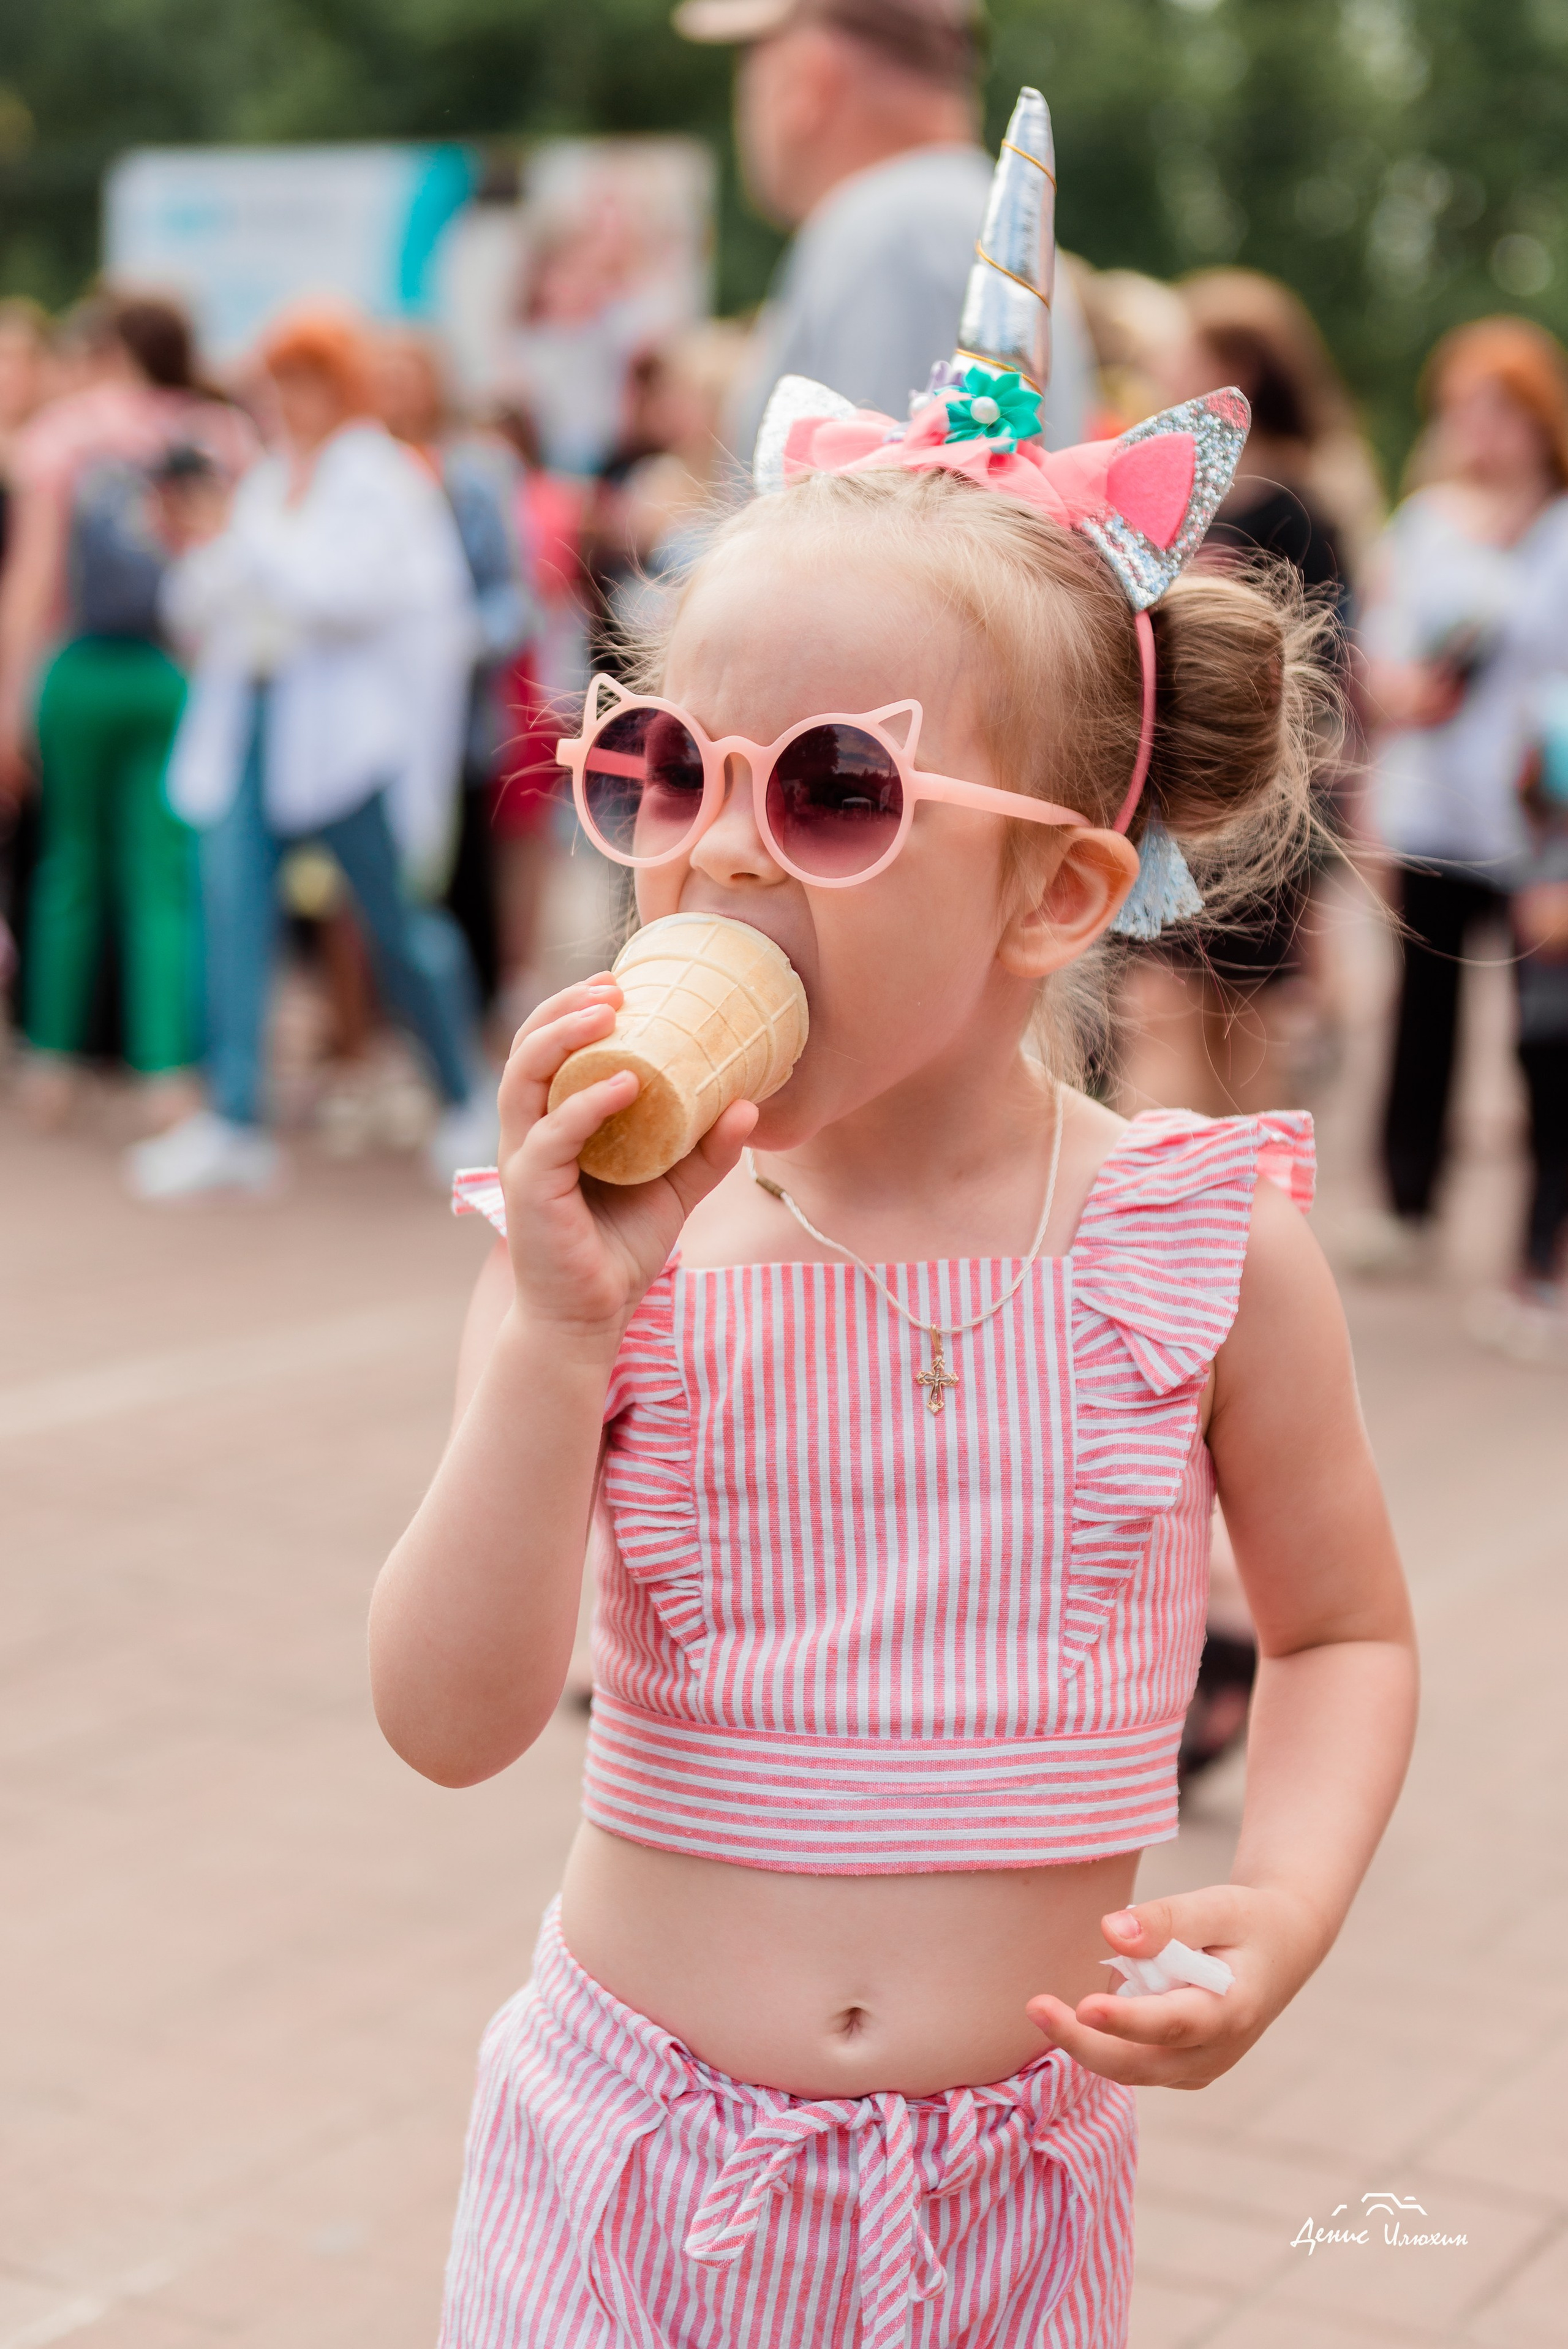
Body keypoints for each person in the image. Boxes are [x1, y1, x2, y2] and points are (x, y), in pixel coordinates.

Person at [371, 132, 1415, 2337]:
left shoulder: (1190, 1240)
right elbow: (447, 1720)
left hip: (1002, 2205)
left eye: (832, 791)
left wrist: (1288, 1898)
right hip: (620, 2176)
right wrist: (553, 1343)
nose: (720, 859)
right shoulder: (616, 1252)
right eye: (667, 770)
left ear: (1051, 890)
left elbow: (1335, 1630)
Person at [126, 308, 496, 1201]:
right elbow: (206, 600)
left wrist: (239, 542)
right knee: (233, 914)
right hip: (254, 724)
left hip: (346, 744)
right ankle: (236, 1117)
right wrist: (207, 542)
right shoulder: (265, 483)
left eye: (307, 381)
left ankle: (462, 1095)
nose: (290, 401)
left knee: (395, 922)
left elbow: (340, 597)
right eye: (280, 382)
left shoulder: (378, 477)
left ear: (342, 387)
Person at [1120, 269, 1372, 1126]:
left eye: (1185, 345)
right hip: (1167, 784)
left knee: (1238, 1024)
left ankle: (1237, 1222)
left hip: (1250, 786)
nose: (1164, 359)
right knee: (1167, 1009)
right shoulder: (1176, 487)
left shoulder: (1300, 507)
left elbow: (1323, 667)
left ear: (1239, 368)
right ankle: (1186, 1214)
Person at [0, 295, 255, 1130]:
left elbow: (35, 576)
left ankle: (53, 1063)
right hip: (173, 669)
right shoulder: (216, 431)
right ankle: (164, 1071)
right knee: (162, 876)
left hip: (80, 667)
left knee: (69, 868)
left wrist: (11, 699)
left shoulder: (65, 436)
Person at [1354, 316, 1568, 1275]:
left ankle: (1543, 1236)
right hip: (1437, 805)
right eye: (1463, 409)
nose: (1479, 429)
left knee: (1545, 1028)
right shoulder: (1428, 520)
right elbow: (1380, 647)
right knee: (1424, 1010)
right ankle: (1410, 1202)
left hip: (1540, 820)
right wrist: (1401, 691)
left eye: (1497, 409)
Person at [679, 0, 1091, 462]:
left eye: (752, 59)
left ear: (807, 77)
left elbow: (871, 524)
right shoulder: (963, 211)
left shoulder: (895, 232)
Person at [374, 327, 533, 1012]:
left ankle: (469, 1017)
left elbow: (514, 597)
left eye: (411, 371)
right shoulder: (357, 474)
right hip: (373, 713)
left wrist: (460, 640)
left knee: (465, 872)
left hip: (455, 711)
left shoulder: (475, 475)